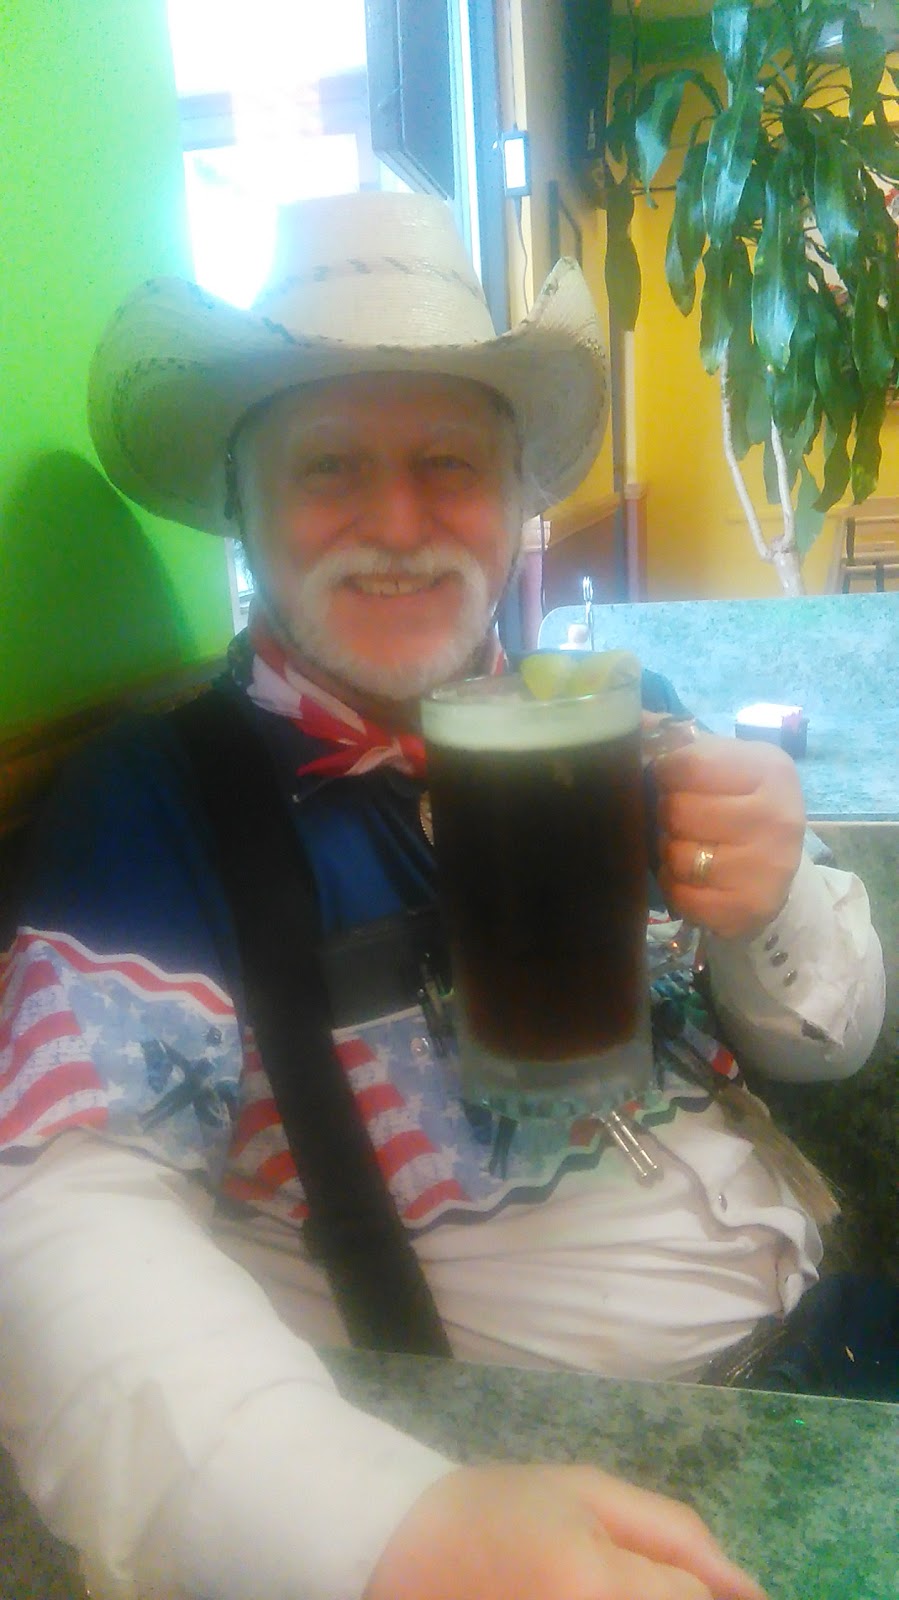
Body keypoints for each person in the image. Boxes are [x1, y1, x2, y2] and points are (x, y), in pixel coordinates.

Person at [0, 192, 885, 1600]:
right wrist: (375, 1531)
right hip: (566, 1460)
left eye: (449, 465)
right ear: (240, 502)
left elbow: (832, 1045)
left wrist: (772, 900)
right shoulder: (156, 804)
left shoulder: (622, 709)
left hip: (837, 1324)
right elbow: (60, 1220)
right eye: (329, 468)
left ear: (519, 499)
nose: (400, 525)